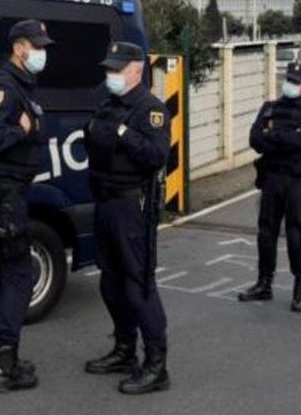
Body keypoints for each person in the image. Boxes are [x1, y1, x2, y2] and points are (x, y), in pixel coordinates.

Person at [82, 41, 172, 395]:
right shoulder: (108, 105)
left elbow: (156, 155)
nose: (111, 75)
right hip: (105, 202)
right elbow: (91, 141)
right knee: (110, 282)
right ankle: (124, 349)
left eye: (117, 69)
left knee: (139, 285)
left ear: (137, 69)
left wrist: (121, 134)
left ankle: (156, 365)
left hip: (132, 206)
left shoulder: (150, 110)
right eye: (109, 69)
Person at [0, 19, 52, 393]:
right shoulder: (6, 86)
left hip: (0, 194)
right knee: (18, 275)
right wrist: (21, 130)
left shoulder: (21, 84)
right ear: (20, 48)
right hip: (5, 197)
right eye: (37, 46)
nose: (42, 53)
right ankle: (6, 364)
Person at [238, 62, 301, 312]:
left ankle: (300, 289)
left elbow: (299, 140)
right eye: (289, 80)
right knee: (266, 233)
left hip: (297, 182)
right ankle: (264, 284)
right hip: (272, 178)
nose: (290, 86)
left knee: (296, 234)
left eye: (296, 82)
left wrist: (272, 137)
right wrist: (281, 138)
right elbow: (255, 140)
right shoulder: (269, 108)